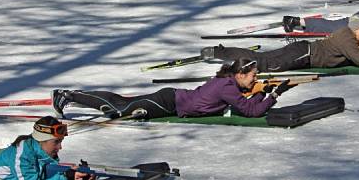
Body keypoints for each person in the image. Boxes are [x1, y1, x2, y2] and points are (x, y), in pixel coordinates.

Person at [52, 58, 291, 118]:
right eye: (252, 76)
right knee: (118, 108)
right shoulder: (228, 86)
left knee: (122, 101)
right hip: (168, 103)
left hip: (170, 98)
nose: (253, 80)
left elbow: (247, 101)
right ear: (240, 74)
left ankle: (72, 95)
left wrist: (263, 92)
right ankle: (68, 96)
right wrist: (274, 95)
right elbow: (251, 110)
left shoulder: (227, 83)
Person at [203, 15, 359, 73]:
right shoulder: (347, 38)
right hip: (304, 54)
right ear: (356, 29)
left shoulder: (347, 35)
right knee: (264, 64)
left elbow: (355, 54)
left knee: (262, 58)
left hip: (303, 50)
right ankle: (222, 55)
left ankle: (220, 52)